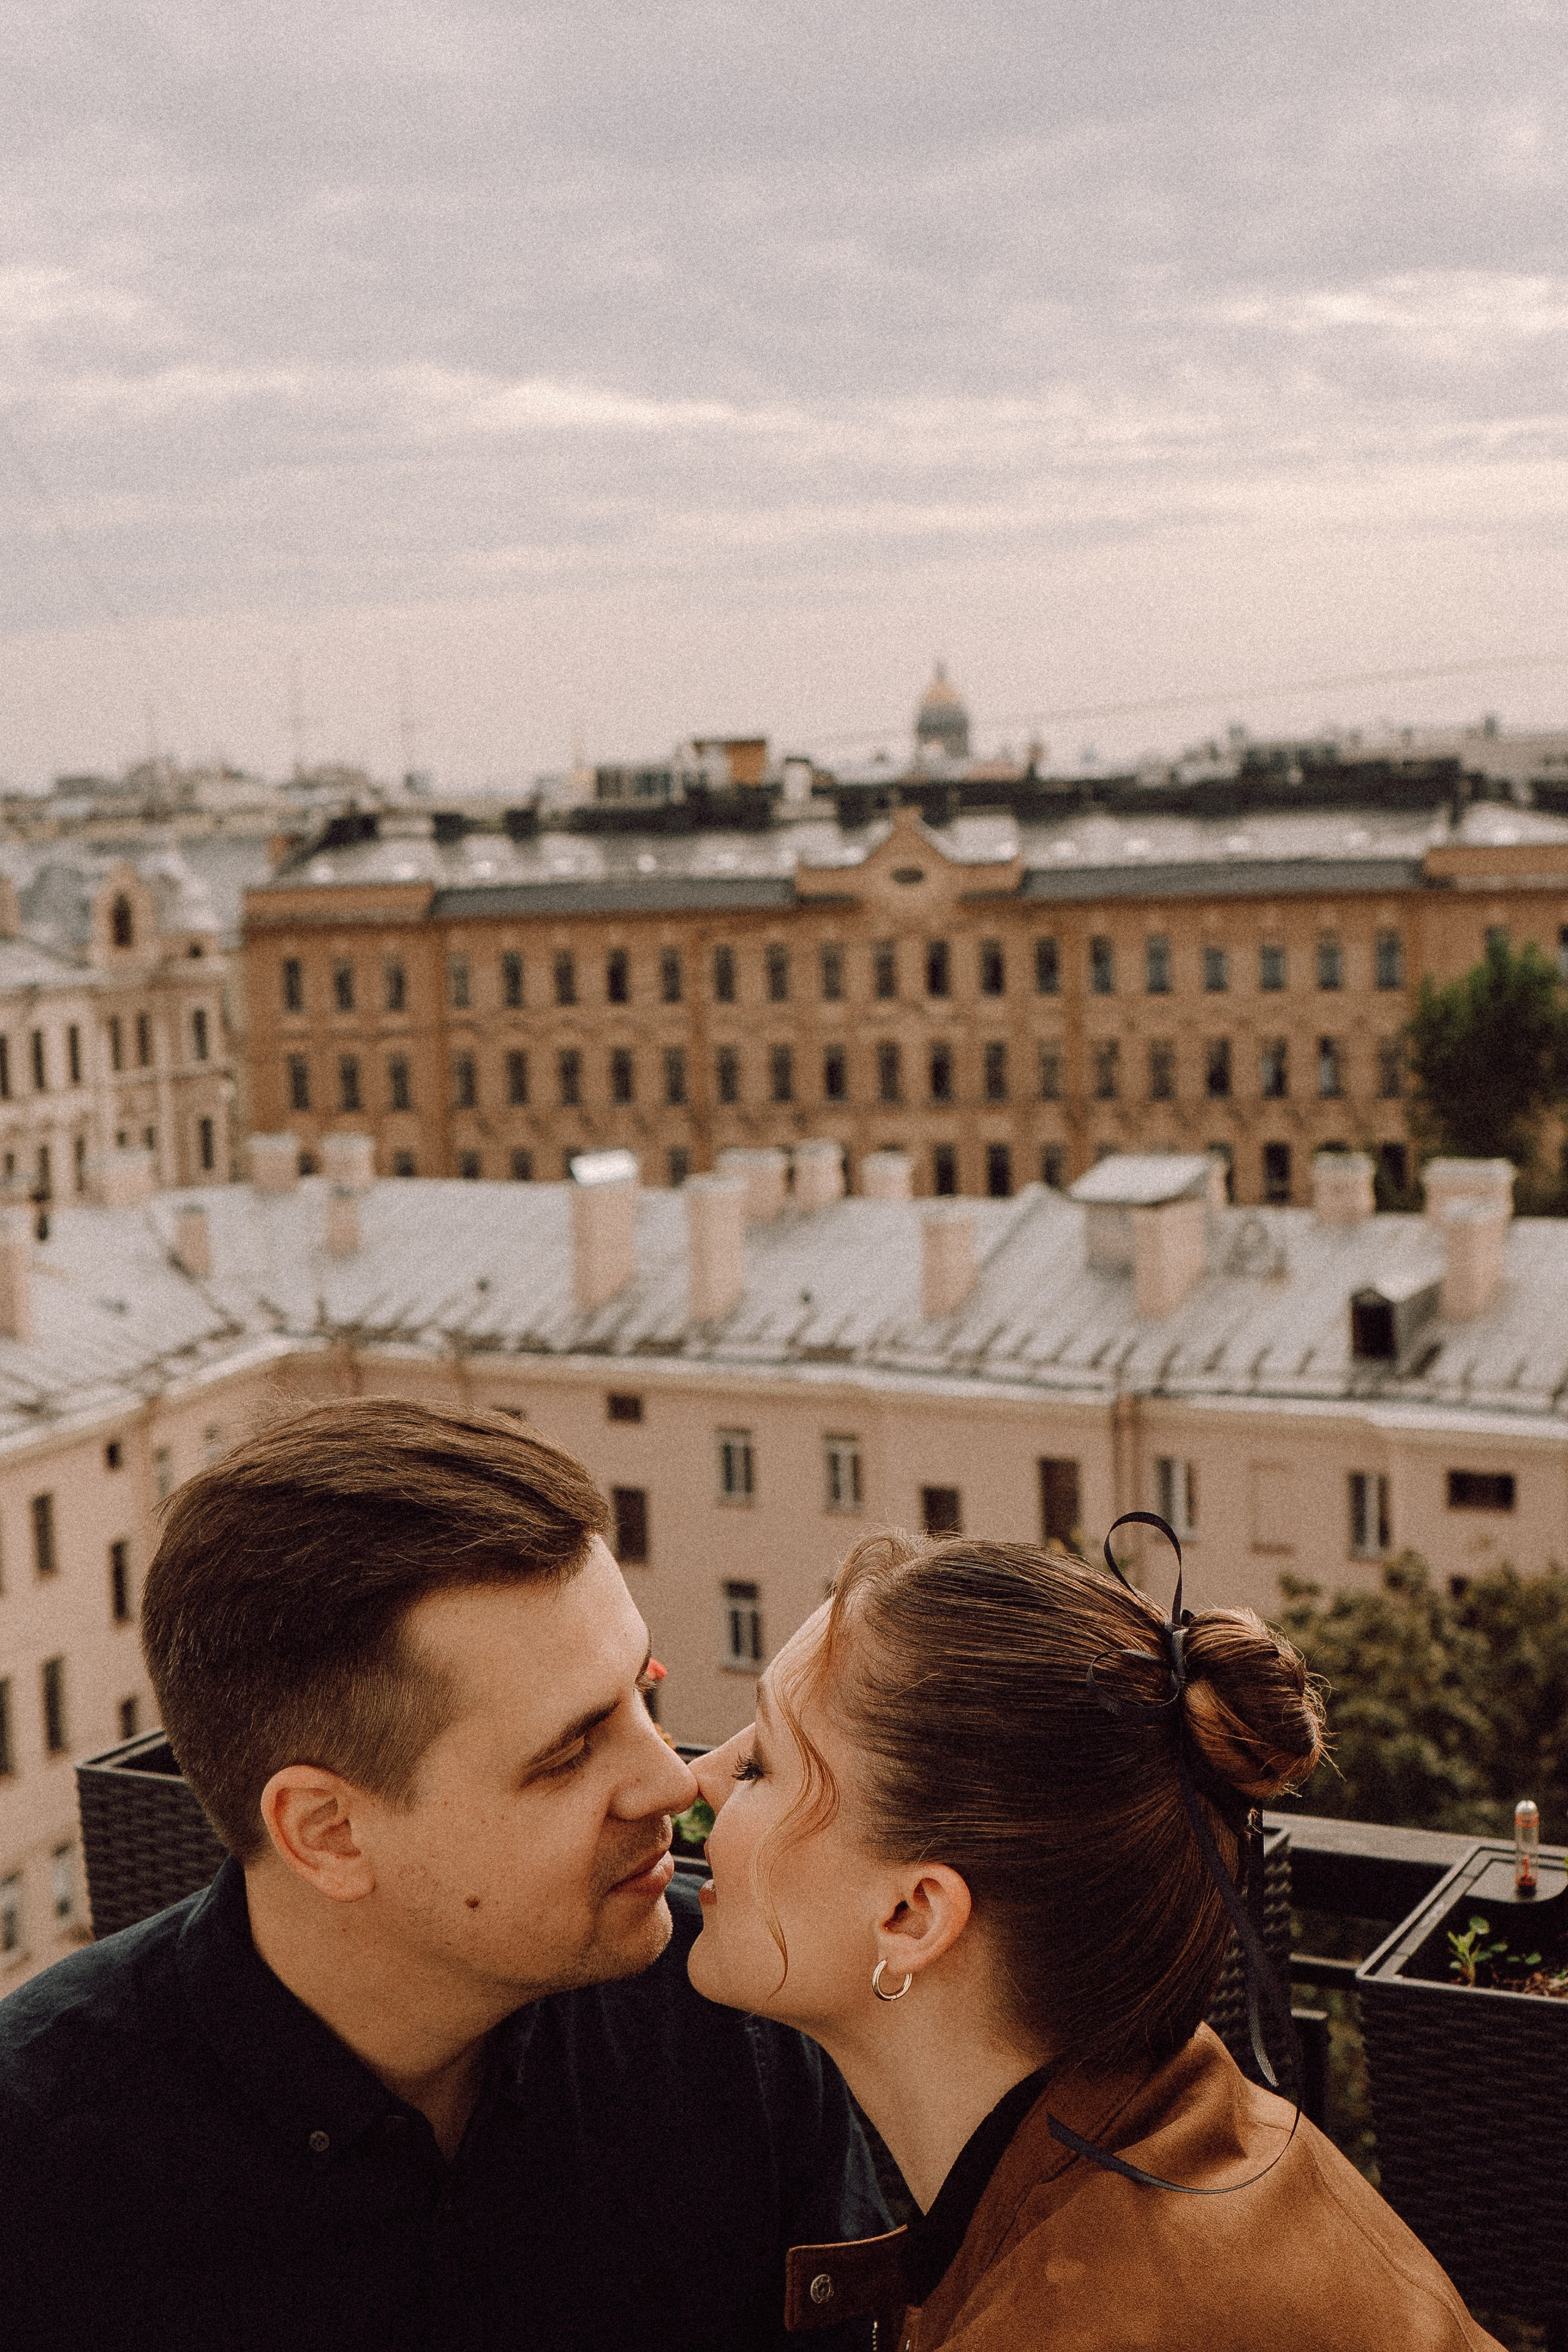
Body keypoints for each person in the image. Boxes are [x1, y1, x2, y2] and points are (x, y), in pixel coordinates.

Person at [0, 1400, 884, 2352]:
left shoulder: (733, 2020)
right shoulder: (36, 2168)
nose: (673, 1779)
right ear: (328, 1831)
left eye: (644, 1690)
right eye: (568, 1753)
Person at [687, 1527, 1502, 2351]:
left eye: (760, 1765)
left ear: (913, 1917)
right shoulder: (1209, 2127)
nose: (695, 1778)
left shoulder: (1067, 2320)